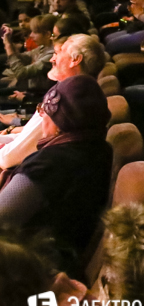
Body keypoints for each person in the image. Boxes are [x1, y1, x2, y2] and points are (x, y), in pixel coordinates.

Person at [0, 75, 114, 275]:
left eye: (44, 111)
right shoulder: (96, 146)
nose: (41, 117)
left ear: (61, 122)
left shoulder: (52, 164)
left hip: (31, 265)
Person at [0, 34, 107, 171]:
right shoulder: (81, 94)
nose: (52, 59)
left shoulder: (62, 101)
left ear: (75, 60)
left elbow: (8, 158)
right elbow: (26, 139)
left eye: (58, 53)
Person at [1, 15, 55, 98]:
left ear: (48, 34)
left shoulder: (51, 55)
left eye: (35, 32)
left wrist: (8, 46)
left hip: (37, 96)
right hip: (29, 90)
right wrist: (9, 41)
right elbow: (22, 58)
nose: (31, 35)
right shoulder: (43, 47)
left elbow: (21, 73)